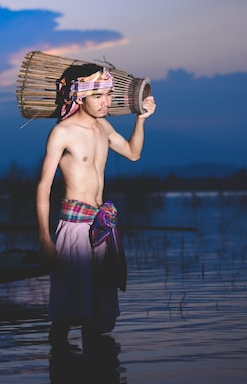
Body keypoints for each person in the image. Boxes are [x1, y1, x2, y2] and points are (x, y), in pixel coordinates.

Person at [36, 63, 156, 351]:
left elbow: (133, 153)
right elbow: (43, 186)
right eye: (99, 96)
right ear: (81, 96)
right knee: (67, 310)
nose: (107, 103)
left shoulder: (104, 126)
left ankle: (95, 371)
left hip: (101, 227)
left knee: (97, 314)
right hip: (75, 227)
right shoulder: (62, 132)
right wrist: (44, 237)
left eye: (108, 95)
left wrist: (141, 120)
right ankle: (61, 367)